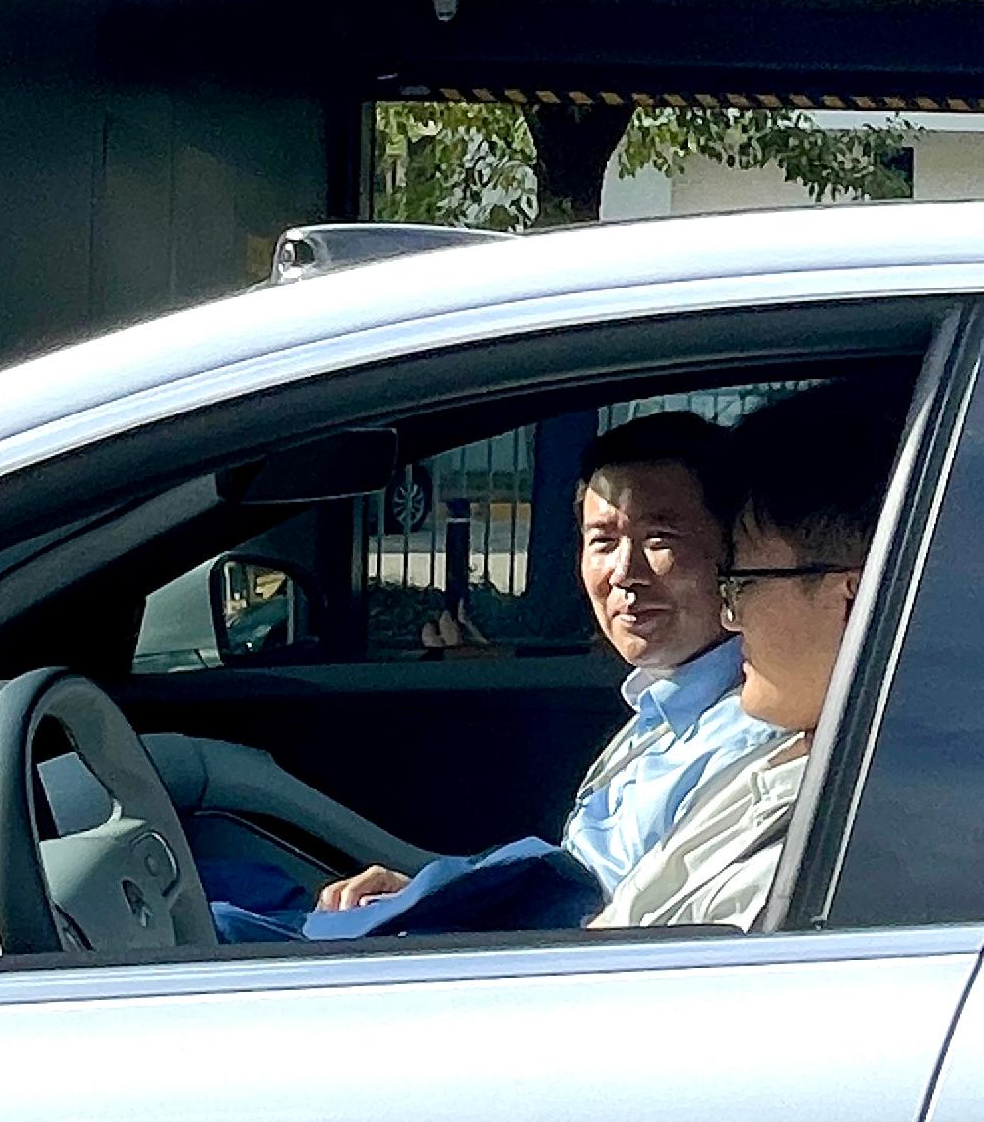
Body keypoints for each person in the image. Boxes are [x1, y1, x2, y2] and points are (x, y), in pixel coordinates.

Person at [204, 411, 780, 943]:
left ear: (735, 555)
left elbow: (616, 931)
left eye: (660, 540)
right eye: (602, 542)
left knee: (205, 929)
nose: (624, 574)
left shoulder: (748, 738)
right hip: (512, 946)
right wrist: (429, 895)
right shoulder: (664, 710)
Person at [590, 379, 901, 933]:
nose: (730, 617)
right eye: (600, 540)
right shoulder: (773, 773)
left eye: (743, 582)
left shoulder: (840, 838)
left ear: (853, 596)